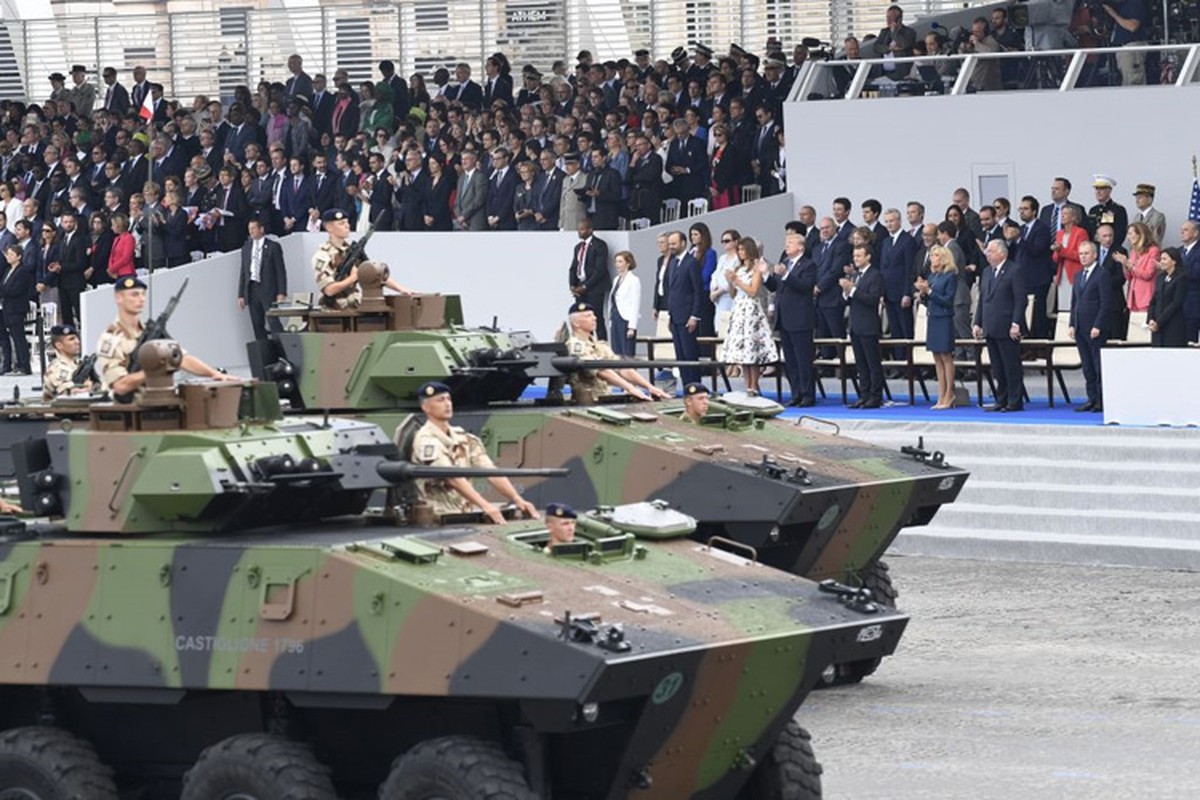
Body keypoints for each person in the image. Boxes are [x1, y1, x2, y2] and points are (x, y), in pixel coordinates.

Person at [407, 381, 539, 524]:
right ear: (425, 407)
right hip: (437, 518)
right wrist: (485, 505)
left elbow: (490, 471)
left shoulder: (462, 437)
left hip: (463, 515)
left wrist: (517, 498)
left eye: (448, 399)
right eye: (440, 400)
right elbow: (452, 477)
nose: (447, 404)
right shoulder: (426, 441)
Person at [97, 276, 237, 400]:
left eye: (143, 294)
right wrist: (155, 371)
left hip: (153, 401)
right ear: (119, 298)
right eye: (134, 294)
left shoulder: (150, 331)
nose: (141, 299)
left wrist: (214, 374)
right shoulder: (111, 339)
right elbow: (120, 386)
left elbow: (181, 359)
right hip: (124, 408)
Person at [565, 302, 669, 402]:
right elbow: (601, 371)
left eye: (593, 315)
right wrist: (629, 388)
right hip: (586, 401)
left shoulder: (599, 345)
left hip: (604, 398)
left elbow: (621, 367)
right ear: (576, 323)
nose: (594, 318)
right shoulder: (575, 345)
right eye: (588, 316)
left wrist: (649, 387)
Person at [312, 208, 410, 309]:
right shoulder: (323, 255)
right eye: (341, 223)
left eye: (347, 222)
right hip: (334, 311)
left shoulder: (351, 251)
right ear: (329, 227)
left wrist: (402, 289)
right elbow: (329, 290)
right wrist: (353, 278)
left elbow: (375, 274)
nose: (347, 226)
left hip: (355, 306)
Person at [721, 237, 777, 398]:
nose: (740, 253)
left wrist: (737, 281)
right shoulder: (738, 269)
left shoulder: (756, 269)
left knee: (752, 351)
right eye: (739, 250)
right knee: (743, 352)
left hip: (751, 309)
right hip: (739, 309)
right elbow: (733, 294)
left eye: (743, 249)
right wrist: (730, 282)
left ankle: (754, 386)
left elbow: (753, 291)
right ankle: (747, 386)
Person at [764, 230, 815, 406]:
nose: (786, 247)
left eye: (790, 243)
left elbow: (805, 286)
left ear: (801, 247)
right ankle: (796, 393)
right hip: (784, 318)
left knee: (803, 359)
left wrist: (786, 275)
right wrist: (766, 275)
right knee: (790, 361)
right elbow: (775, 287)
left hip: (800, 319)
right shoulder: (783, 263)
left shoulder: (808, 265)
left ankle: (808, 395)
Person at [973, 240, 1026, 412]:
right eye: (987, 251)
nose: (987, 254)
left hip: (1007, 325)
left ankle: (1014, 400)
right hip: (990, 325)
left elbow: (1020, 300)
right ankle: (1000, 398)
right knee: (997, 366)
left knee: (1011, 365)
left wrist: (1016, 323)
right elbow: (982, 299)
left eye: (991, 251)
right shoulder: (987, 271)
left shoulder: (1014, 270)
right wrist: (977, 322)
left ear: (1002, 253)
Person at [1068, 241, 1111, 412]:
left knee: (1097, 365)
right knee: (1087, 366)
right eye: (1081, 254)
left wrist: (1098, 325)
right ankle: (1091, 398)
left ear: (1094, 255)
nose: (1083, 257)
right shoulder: (1078, 275)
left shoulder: (1102, 274)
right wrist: (1072, 323)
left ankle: (1101, 400)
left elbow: (1105, 303)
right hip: (1080, 327)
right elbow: (1074, 302)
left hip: (1095, 328)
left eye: (1086, 253)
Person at [915, 244, 959, 409]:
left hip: (944, 318)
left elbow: (948, 300)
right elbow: (929, 299)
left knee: (946, 356)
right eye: (931, 255)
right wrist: (923, 294)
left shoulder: (950, 276)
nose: (932, 258)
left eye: (935, 255)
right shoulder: (932, 276)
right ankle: (941, 393)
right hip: (933, 317)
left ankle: (949, 393)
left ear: (943, 258)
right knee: (936, 357)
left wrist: (930, 292)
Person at [841, 244, 884, 408]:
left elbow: (872, 300)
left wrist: (852, 291)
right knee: (861, 363)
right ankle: (863, 394)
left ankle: (875, 395)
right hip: (855, 324)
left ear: (868, 257)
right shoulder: (856, 275)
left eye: (859, 256)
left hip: (868, 324)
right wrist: (846, 292)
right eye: (854, 256)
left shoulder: (875, 275)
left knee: (872, 362)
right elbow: (850, 300)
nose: (856, 259)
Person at [238, 218, 287, 340]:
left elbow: (280, 271)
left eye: (253, 228)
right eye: (249, 229)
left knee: (273, 322)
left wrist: (281, 292)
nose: (251, 231)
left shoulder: (273, 246)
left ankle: (283, 351)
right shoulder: (246, 248)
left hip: (268, 289)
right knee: (257, 324)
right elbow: (243, 272)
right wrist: (241, 294)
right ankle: (264, 354)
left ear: (261, 229)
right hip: (252, 289)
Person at [666, 229, 704, 386]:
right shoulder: (673, 262)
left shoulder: (691, 262)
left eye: (674, 243)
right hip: (675, 317)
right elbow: (672, 290)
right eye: (670, 244)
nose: (671, 247)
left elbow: (698, 291)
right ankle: (686, 387)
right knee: (680, 356)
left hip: (688, 317)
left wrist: (694, 315)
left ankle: (695, 387)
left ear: (683, 243)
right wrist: (670, 315)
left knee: (690, 355)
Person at [567, 218, 611, 340]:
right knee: (582, 319)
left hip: (594, 288)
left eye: (582, 229)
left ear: (590, 230)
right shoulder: (578, 247)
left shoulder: (600, 245)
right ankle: (587, 345)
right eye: (578, 229)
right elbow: (573, 267)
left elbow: (600, 270)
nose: (579, 232)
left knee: (596, 317)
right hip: (580, 288)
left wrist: (585, 286)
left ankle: (602, 345)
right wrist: (572, 285)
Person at [0, 243, 33, 375]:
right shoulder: (8, 270)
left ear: (19, 256)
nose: (8, 257)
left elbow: (15, 290)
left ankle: (24, 365)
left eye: (11, 254)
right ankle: (15, 364)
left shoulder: (23, 271)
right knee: (13, 336)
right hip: (7, 307)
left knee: (19, 337)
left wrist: (2, 290)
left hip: (17, 307)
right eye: (7, 254)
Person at [1114, 221, 1159, 313]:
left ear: (1140, 234)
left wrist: (1129, 264)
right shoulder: (1134, 252)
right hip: (1133, 297)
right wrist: (1124, 263)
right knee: (1133, 326)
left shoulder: (1153, 251)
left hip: (1146, 296)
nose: (1128, 237)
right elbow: (1129, 277)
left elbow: (1148, 274)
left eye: (1130, 234)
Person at [1147, 248, 1188, 348]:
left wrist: (1159, 322)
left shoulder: (1181, 278)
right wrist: (1151, 319)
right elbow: (1153, 301)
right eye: (1161, 259)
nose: (1161, 262)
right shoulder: (1160, 277)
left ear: (1173, 261)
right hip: (1157, 327)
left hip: (1173, 326)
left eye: (1164, 259)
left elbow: (1176, 303)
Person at [41, 324, 94, 401]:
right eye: (71, 339)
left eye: (77, 338)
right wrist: (89, 388)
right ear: (59, 345)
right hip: (61, 410)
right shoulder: (57, 368)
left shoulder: (78, 364)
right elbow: (69, 394)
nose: (77, 342)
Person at [1051, 205, 1087, 314]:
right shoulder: (1060, 233)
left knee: (1075, 305)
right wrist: (1057, 251)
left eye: (1065, 214)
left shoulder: (1081, 232)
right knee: (1063, 307)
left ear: (1073, 217)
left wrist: (1061, 250)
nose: (1062, 216)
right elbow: (1055, 257)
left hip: (1075, 273)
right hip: (1062, 274)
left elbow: (1081, 255)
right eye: (1062, 214)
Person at [605, 250, 642, 357]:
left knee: (627, 351)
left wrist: (632, 326)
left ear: (628, 263)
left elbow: (635, 304)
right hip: (615, 317)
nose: (617, 264)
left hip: (626, 319)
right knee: (617, 351)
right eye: (616, 262)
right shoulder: (616, 279)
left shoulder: (634, 280)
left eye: (620, 262)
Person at [1181, 220, 1200, 342]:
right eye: (1181, 230)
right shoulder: (1179, 251)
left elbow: (1196, 273)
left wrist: (1174, 269)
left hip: (1193, 304)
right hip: (1178, 305)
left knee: (1190, 341)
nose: (1182, 232)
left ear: (1196, 233)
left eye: (1186, 230)